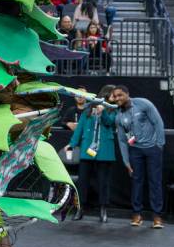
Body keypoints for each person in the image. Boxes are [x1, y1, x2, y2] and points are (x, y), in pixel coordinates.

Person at [111, 85, 166, 228]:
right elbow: (122, 141)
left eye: (120, 95)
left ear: (127, 94)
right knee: (137, 182)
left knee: (155, 182)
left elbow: (158, 122)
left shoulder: (143, 103)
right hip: (135, 151)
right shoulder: (119, 116)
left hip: (152, 149)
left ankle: (157, 217)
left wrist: (159, 144)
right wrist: (126, 161)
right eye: (115, 96)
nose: (117, 98)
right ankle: (137, 214)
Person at [66, 85, 117, 222]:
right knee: (83, 182)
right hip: (88, 150)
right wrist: (72, 144)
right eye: (113, 95)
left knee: (103, 182)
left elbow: (110, 123)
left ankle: (103, 209)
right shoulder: (88, 108)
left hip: (104, 150)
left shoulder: (113, 109)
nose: (116, 97)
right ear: (106, 94)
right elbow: (80, 128)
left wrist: (103, 112)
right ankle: (80, 209)